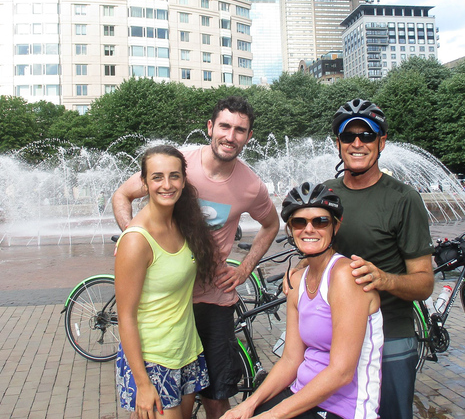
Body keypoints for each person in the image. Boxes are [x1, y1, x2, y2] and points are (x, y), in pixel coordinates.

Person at [112, 96, 280, 419]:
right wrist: (135, 237)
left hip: (212, 301)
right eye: (225, 126)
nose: (230, 136)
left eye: (240, 130)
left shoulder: (250, 186)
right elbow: (123, 194)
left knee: (216, 398)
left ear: (249, 136)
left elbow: (271, 224)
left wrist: (245, 269)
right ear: (210, 127)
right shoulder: (176, 166)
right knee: (159, 401)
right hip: (167, 302)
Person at [221, 182, 383, 419]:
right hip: (301, 394)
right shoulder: (297, 280)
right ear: (290, 229)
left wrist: (274, 414)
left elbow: (341, 372)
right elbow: (290, 360)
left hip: (343, 408)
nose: (309, 229)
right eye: (299, 222)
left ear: (335, 227)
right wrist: (249, 404)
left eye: (320, 221)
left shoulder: (346, 276)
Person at [322, 99, 434, 419]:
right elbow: (319, 257)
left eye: (367, 135)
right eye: (348, 136)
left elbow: (424, 282)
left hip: (390, 338)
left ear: (381, 142)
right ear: (338, 144)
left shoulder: (403, 199)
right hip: (337, 337)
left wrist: (383, 278)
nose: (357, 143)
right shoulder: (326, 195)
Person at [115, 145, 217, 419]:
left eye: (174, 176)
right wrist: (143, 383)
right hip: (153, 361)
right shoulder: (136, 240)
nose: (167, 184)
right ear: (144, 183)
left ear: (184, 180)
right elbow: (125, 316)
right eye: (157, 177)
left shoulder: (183, 225)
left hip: (187, 351)